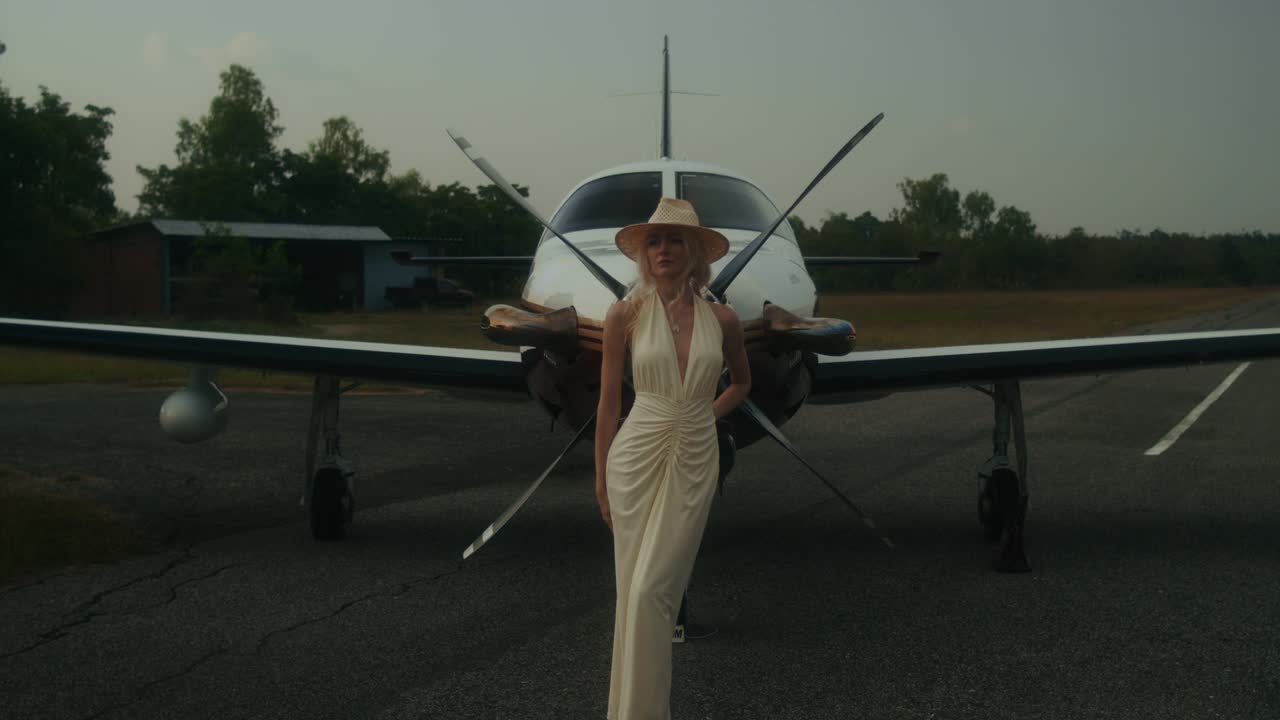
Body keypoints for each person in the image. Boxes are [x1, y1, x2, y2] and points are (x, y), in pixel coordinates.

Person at [595, 197, 752, 719]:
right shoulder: (624, 315)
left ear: (695, 252)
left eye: (675, 240)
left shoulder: (723, 319)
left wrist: (705, 413)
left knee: (653, 591)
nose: (664, 250)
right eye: (654, 242)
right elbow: (609, 403)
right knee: (633, 595)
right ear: (644, 254)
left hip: (694, 458)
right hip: (634, 457)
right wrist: (600, 481)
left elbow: (742, 383)